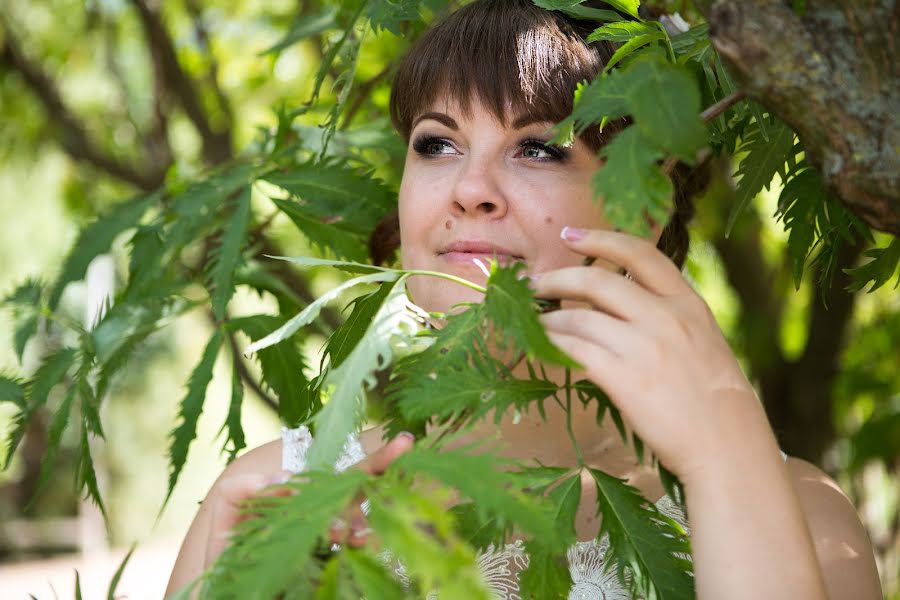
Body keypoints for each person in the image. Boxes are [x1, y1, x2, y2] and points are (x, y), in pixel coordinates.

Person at [166, 1, 882, 598]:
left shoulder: (800, 518)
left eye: (538, 148)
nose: (469, 188)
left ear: (643, 204)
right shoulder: (267, 497)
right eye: (436, 145)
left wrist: (726, 453)